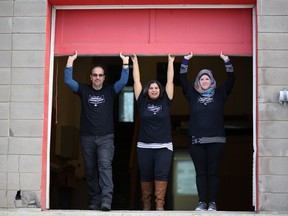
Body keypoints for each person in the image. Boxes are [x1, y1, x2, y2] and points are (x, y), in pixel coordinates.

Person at [64, 51, 130, 211]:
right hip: (87, 137)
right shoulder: (84, 90)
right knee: (91, 169)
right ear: (90, 77)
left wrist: (126, 64)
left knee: (104, 166)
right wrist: (70, 62)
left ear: (104, 77)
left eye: (100, 75)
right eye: (95, 75)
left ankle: (106, 200)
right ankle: (95, 200)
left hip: (106, 137)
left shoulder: (110, 91)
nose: (98, 77)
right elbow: (68, 81)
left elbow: (123, 81)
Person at [179, 52, 235, 211]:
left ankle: (212, 203)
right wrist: (185, 61)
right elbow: (182, 80)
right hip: (196, 141)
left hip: (216, 141)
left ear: (212, 81)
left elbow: (231, 79)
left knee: (213, 173)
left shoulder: (220, 93)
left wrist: (227, 61)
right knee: (201, 173)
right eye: (201, 78)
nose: (204, 81)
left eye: (207, 78)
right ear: (198, 81)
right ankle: (202, 202)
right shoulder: (192, 94)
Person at [131, 54, 175, 211]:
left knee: (161, 176)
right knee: (146, 176)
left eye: (156, 87)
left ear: (160, 90)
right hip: (144, 146)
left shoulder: (166, 101)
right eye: (151, 88)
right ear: (147, 91)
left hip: (164, 146)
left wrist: (170, 61)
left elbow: (170, 81)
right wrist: (135, 62)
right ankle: (147, 206)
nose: (154, 90)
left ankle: (159, 206)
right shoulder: (141, 102)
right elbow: (137, 81)